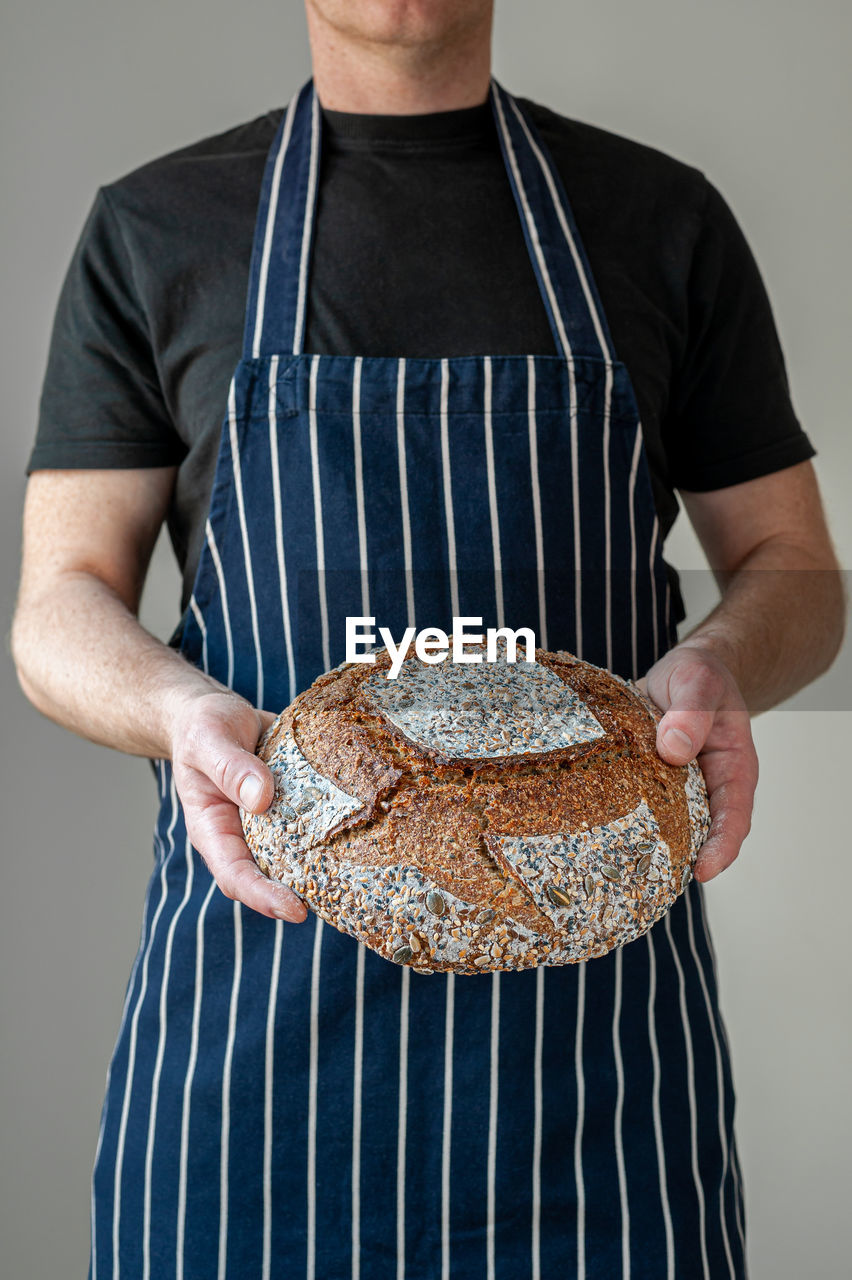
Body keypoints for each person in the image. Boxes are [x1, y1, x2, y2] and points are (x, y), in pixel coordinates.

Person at [12, 0, 845, 1276]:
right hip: (251, 1067)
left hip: (596, 1092)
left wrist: (722, 664)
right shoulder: (155, 230)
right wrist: (181, 712)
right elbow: (59, 602)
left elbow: (795, 568)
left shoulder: (659, 220)